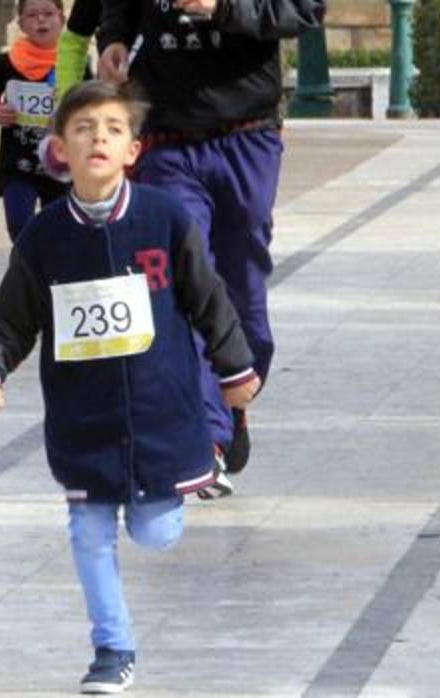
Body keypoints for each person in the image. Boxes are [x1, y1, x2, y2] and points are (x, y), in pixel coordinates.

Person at [0, 80, 260, 694]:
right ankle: (112, 648)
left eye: (113, 129)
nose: (98, 137)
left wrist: (235, 369)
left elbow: (209, 301)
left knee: (155, 531)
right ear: (60, 150)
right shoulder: (43, 239)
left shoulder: (164, 218)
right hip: (83, 421)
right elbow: (12, 320)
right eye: (83, 128)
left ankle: (201, 461)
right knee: (89, 531)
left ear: (133, 150)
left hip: (164, 415)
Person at [96, 0, 324, 483]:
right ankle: (208, 437)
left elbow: (304, 11)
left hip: (248, 132)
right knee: (182, 281)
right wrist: (113, 39)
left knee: (244, 292)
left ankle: (235, 391)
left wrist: (222, 8)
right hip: (166, 138)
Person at [0, 0, 67, 242]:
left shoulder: (73, 63)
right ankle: (27, 273)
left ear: (62, 19)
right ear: (21, 24)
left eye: (48, 14)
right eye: (32, 15)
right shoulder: (7, 62)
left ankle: (51, 273)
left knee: (59, 231)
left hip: (60, 165)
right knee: (19, 226)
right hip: (18, 164)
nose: (41, 20)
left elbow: (87, 99)